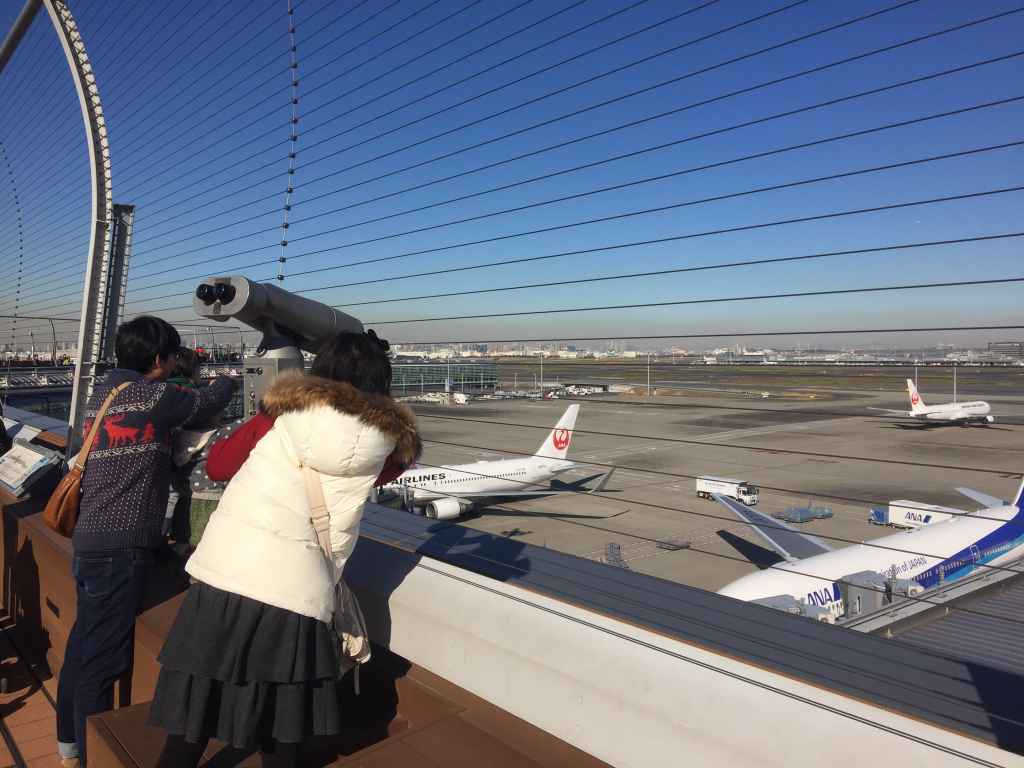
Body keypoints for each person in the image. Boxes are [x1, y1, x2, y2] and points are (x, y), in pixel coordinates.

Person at [148, 331, 421, 767]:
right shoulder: (385, 447)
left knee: (193, 717)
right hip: (298, 592)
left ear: (320, 370)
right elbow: (391, 470)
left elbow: (218, 465)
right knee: (282, 731)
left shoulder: (281, 414)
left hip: (228, 571)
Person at [55, 317, 237, 768]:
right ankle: (90, 756)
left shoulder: (103, 391)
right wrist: (233, 378)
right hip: (121, 547)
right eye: (171, 357)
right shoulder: (154, 396)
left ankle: (68, 745)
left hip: (90, 537)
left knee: (83, 643)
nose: (173, 365)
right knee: (101, 662)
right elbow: (209, 399)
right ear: (158, 359)